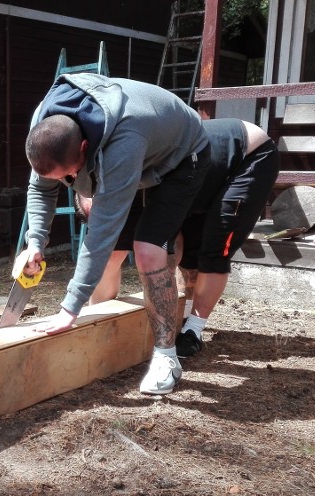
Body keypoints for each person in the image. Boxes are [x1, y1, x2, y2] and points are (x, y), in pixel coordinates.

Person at [21, 72, 211, 395]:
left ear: (84, 146)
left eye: (69, 174)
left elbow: (100, 234)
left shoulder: (124, 142)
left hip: (182, 157)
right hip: (138, 153)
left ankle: (167, 357)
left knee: (148, 249)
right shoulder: (45, 121)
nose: (67, 181)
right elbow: (40, 188)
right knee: (112, 255)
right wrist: (34, 241)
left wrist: (70, 306)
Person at [80, 118, 280, 357]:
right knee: (118, 248)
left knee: (213, 248)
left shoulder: (137, 171)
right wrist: (97, 320)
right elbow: (110, 252)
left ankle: (193, 329)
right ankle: (167, 317)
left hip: (247, 157)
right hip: (192, 174)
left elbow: (168, 246)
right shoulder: (101, 173)